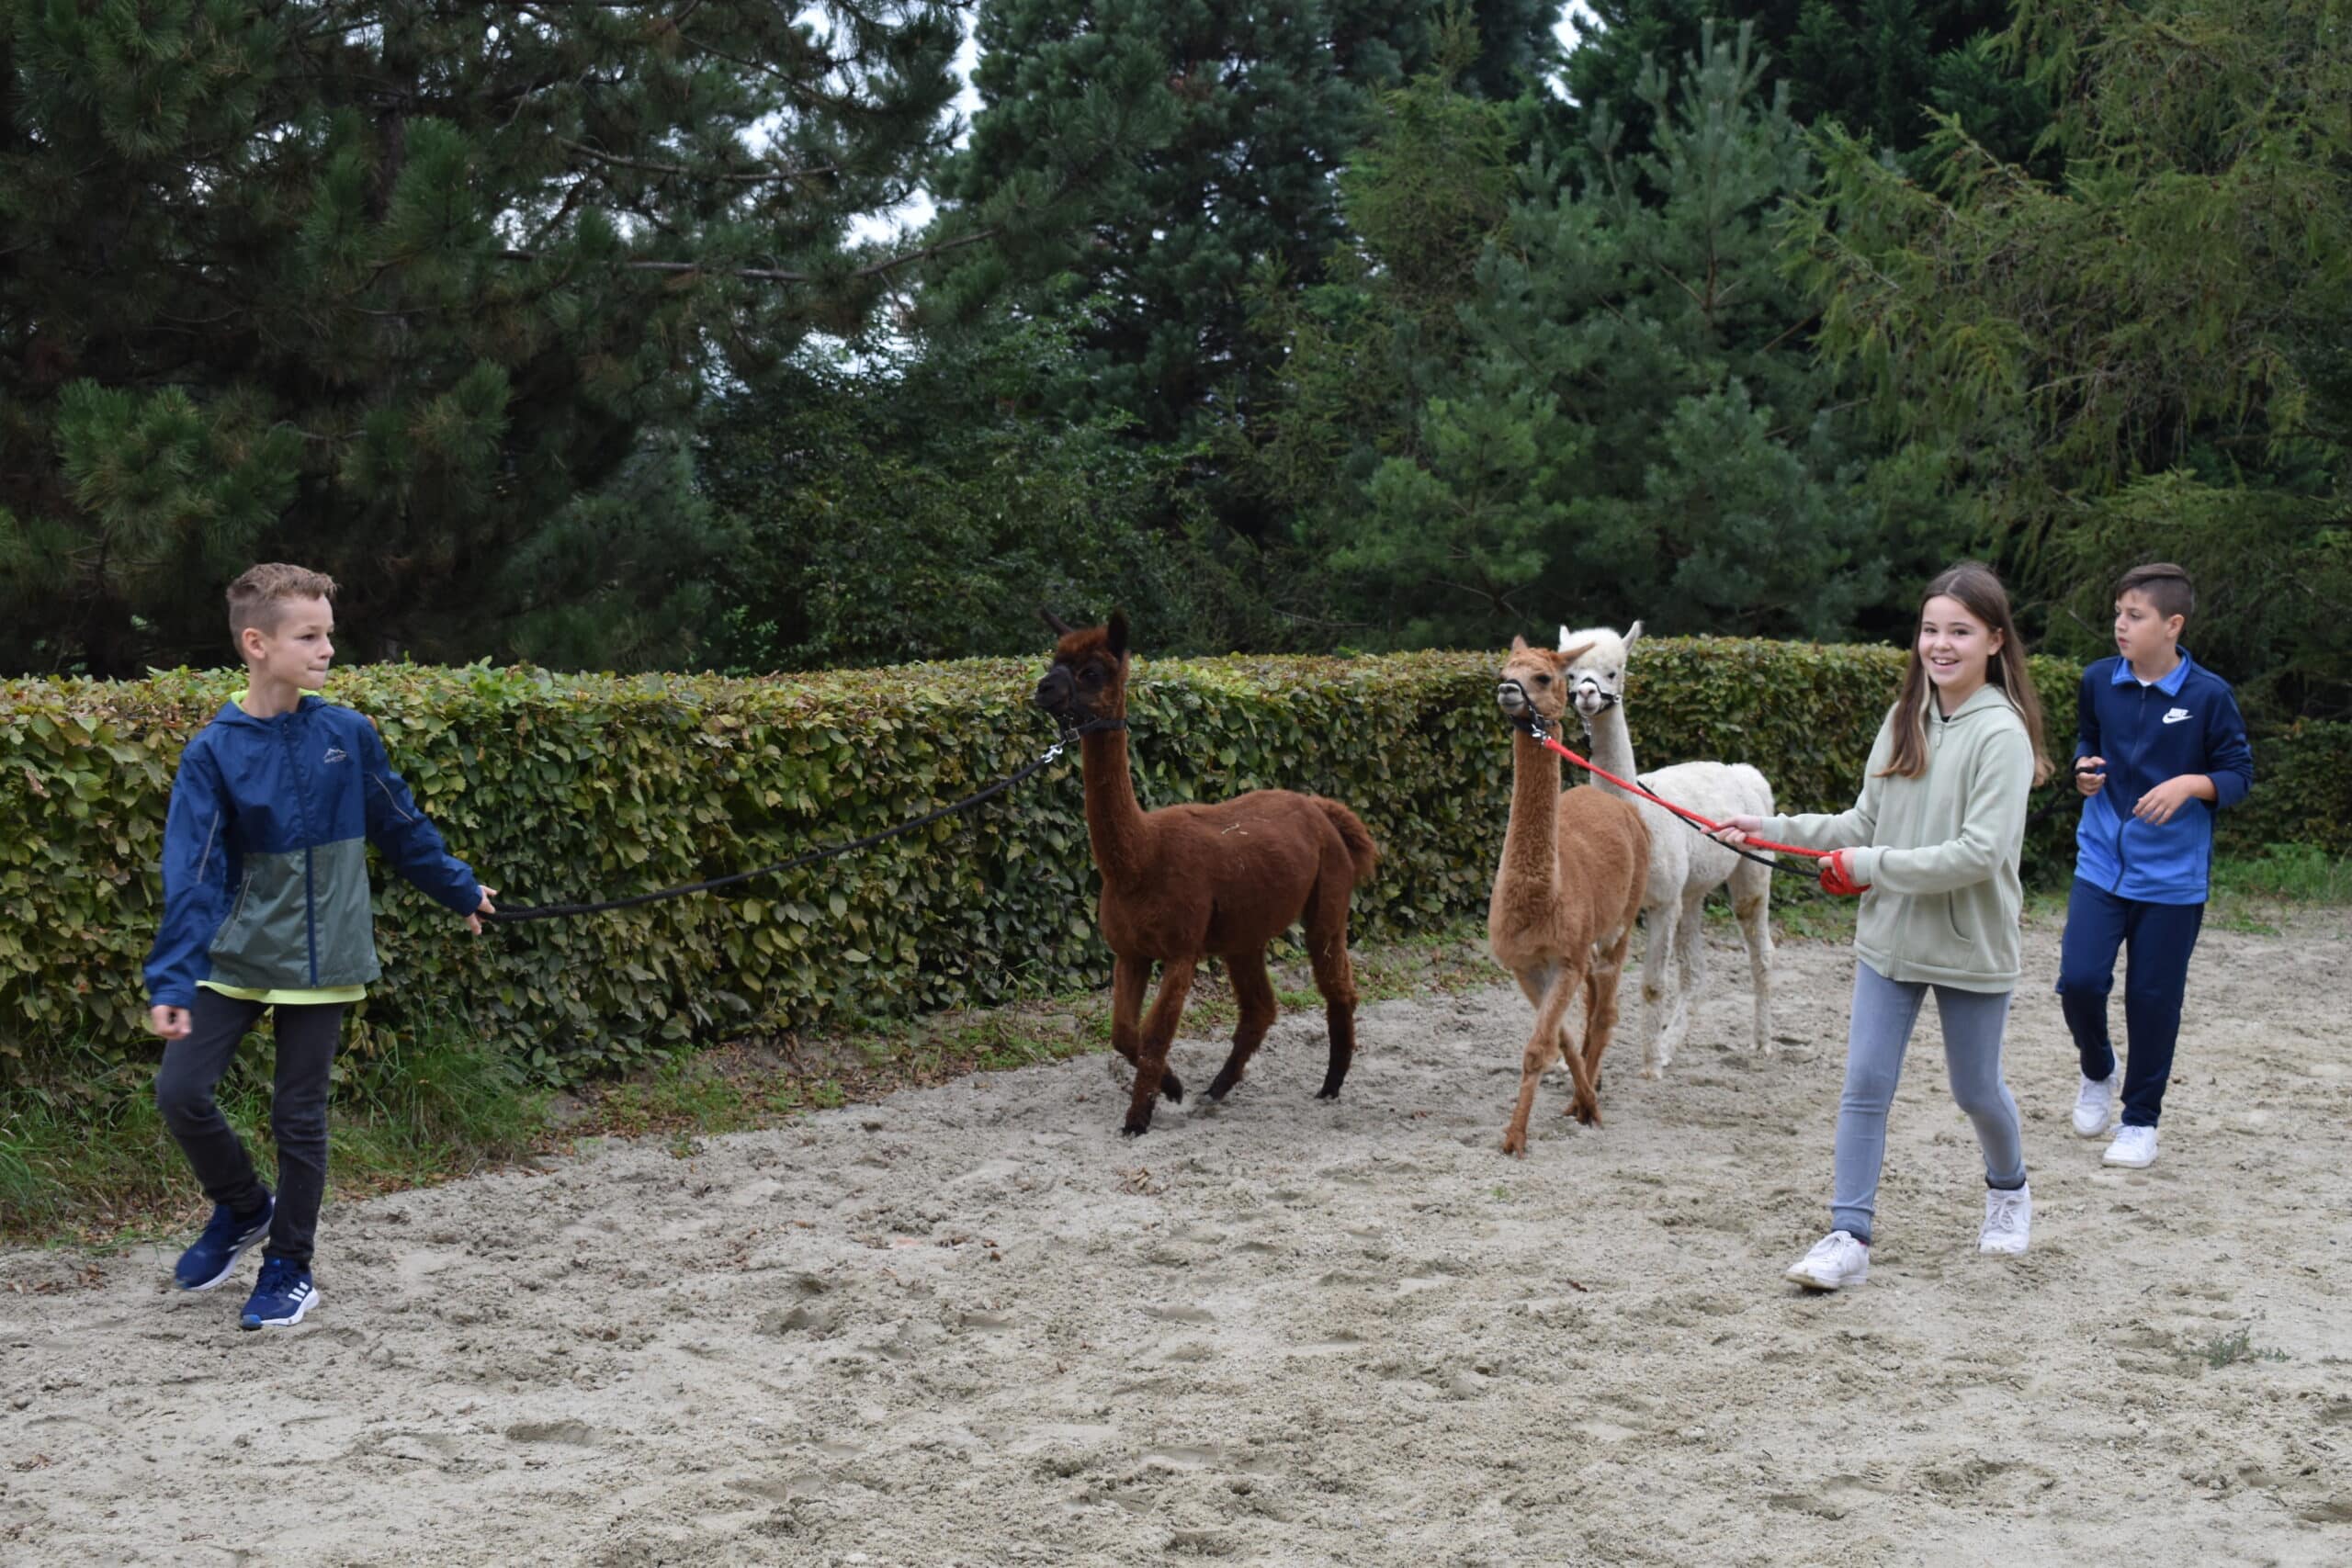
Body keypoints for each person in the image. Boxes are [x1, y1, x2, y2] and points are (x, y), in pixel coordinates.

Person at [143, 563, 496, 1329]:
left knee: (297, 1117)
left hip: (324, 952)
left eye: (329, 633)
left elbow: (400, 825)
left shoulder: (347, 733)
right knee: (180, 1092)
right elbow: (196, 872)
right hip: (236, 952)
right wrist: (172, 980)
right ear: (257, 643)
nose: (328, 648)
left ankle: (289, 1266)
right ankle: (242, 1207)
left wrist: (460, 888)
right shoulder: (214, 751)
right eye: (310, 635)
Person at [1714, 562, 2051, 1291]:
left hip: (1970, 944)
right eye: (1931, 629)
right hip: (1889, 940)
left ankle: (2009, 1189)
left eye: (1959, 631)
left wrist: (1867, 864)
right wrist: (1768, 828)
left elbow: (1978, 852)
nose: (1940, 644)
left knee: (1976, 1090)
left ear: (1995, 640)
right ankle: (1849, 1234)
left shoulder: (2005, 734)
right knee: (1864, 1084)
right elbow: (1862, 822)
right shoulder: (1904, 719)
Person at [2057, 562, 2253, 1169]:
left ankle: (2140, 1119)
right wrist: (2084, 771)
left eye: (2134, 615)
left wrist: (2190, 784)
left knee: (2152, 998)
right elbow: (2086, 742)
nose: (2120, 624)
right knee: (2080, 982)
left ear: (2172, 625)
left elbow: (2239, 776)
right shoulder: (2097, 680)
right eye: (2118, 612)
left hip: (2172, 880)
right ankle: (2098, 1069)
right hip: (2100, 863)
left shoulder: (2209, 696)